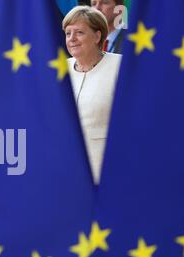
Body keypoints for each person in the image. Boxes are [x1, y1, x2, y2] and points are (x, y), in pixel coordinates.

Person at [63, 6, 122, 184]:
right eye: (68, 33)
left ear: (97, 36)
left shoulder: (121, 67)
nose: (72, 39)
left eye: (79, 32)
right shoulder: (58, 69)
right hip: (64, 173)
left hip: (108, 175)